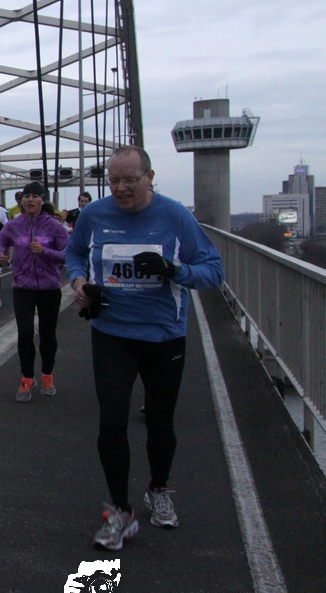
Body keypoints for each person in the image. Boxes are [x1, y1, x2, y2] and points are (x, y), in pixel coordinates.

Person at [66, 145, 224, 551]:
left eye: (130, 180)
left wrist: (175, 270)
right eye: (113, 181)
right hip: (111, 332)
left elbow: (213, 271)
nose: (120, 188)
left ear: (150, 178)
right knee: (111, 423)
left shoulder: (175, 216)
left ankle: (159, 488)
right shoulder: (94, 214)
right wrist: (80, 284)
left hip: (163, 336)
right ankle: (121, 512)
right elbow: (74, 252)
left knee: (159, 421)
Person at [0, 181, 69, 401]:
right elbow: (2, 240)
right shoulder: (14, 224)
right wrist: (2, 255)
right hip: (23, 287)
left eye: (34, 196)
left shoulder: (54, 226)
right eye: (26, 196)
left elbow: (68, 254)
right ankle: (27, 378)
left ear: (42, 200)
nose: (29, 200)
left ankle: (47, 375)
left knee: (47, 335)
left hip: (49, 288)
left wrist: (45, 251)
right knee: (25, 332)